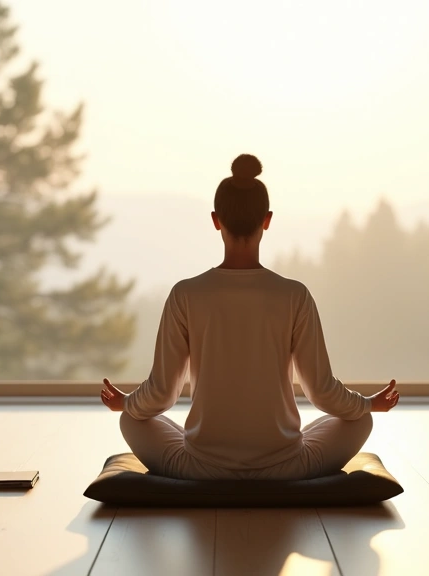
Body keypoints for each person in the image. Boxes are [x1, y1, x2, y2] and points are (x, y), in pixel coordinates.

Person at [99, 154, 400, 481]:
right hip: (285, 467)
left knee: (130, 419)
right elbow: (323, 392)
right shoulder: (294, 295)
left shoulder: (185, 294)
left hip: (201, 467)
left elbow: (161, 394)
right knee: (361, 419)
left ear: (216, 220)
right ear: (267, 219)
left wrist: (127, 403)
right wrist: (369, 404)